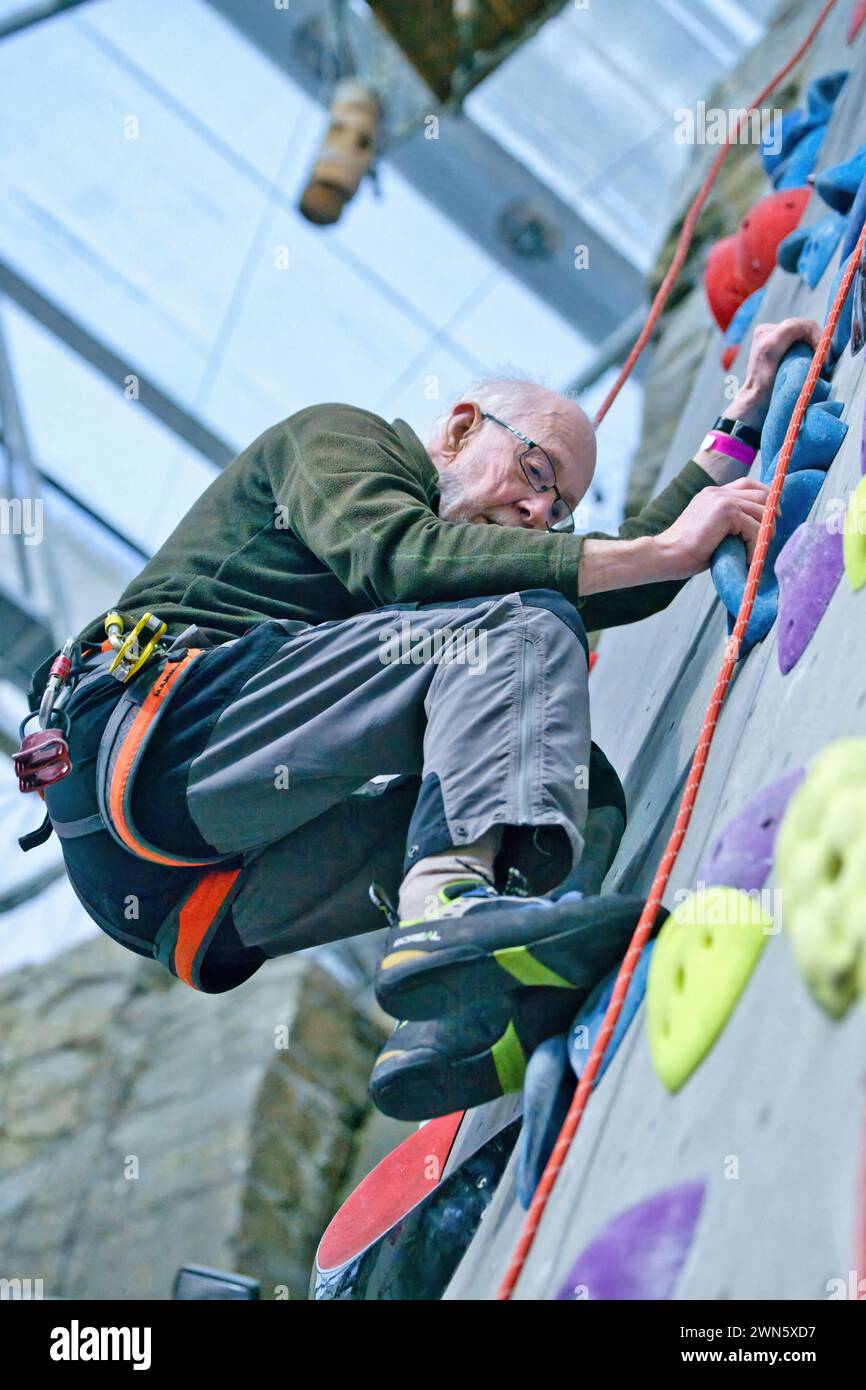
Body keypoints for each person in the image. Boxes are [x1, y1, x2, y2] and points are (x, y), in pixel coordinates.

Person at [24, 317, 819, 1116]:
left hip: (187, 898)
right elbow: (406, 562)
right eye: (535, 471)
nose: (541, 511)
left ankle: (474, 1018)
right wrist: (661, 553)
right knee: (513, 628)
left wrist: (741, 416)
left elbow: (631, 572)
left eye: (559, 507)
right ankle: (446, 910)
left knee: (566, 783)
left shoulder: (463, 566)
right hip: (151, 742)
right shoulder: (340, 441)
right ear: (463, 426)